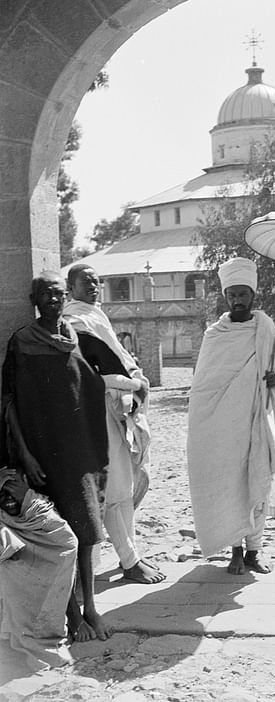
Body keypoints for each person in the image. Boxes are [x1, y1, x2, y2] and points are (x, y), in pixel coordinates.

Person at [0, 271, 111, 642]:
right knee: (59, 536)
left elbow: (96, 381)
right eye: (46, 294)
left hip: (77, 451)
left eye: (59, 294)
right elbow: (10, 402)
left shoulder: (78, 336)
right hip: (41, 453)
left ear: (67, 298)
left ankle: (91, 605)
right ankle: (73, 615)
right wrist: (26, 455)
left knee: (87, 530)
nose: (53, 299)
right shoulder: (22, 342)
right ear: (34, 299)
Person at [187, 257, 275, 574]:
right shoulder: (215, 335)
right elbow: (204, 387)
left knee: (257, 483)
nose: (238, 299)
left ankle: (254, 551)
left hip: (257, 419)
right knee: (232, 485)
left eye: (243, 294)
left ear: (253, 295)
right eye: (232, 294)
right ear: (225, 297)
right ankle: (235, 551)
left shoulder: (268, 328)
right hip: (224, 427)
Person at [63, 263, 164, 585]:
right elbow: (89, 375)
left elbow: (115, 358)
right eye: (85, 282)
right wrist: (132, 384)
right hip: (96, 413)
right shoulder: (73, 320)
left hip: (117, 410)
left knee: (125, 485)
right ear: (71, 288)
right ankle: (129, 559)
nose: (93, 286)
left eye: (96, 281)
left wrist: (133, 382)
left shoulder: (96, 315)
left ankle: (130, 555)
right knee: (112, 487)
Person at [0, 467, 77, 670]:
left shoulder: (40, 514)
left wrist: (27, 498)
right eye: (2, 493)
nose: (9, 499)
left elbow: (66, 543)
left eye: (13, 491)